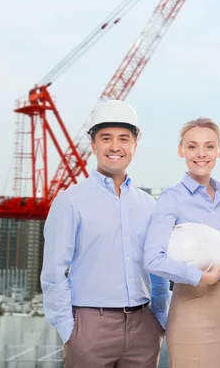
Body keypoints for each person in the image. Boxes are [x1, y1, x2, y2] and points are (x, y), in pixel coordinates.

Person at [41, 100, 170, 368]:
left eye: (124, 138)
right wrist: (70, 332)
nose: (115, 146)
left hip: (144, 328)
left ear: (135, 145)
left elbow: (158, 271)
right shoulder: (70, 201)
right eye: (106, 138)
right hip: (89, 328)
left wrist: (159, 316)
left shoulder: (149, 205)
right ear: (94, 145)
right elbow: (53, 273)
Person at [144, 117, 220, 368]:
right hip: (192, 305)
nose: (201, 154)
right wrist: (198, 277)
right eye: (192, 146)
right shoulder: (171, 198)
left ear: (219, 150)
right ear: (181, 151)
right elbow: (153, 258)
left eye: (209, 146)